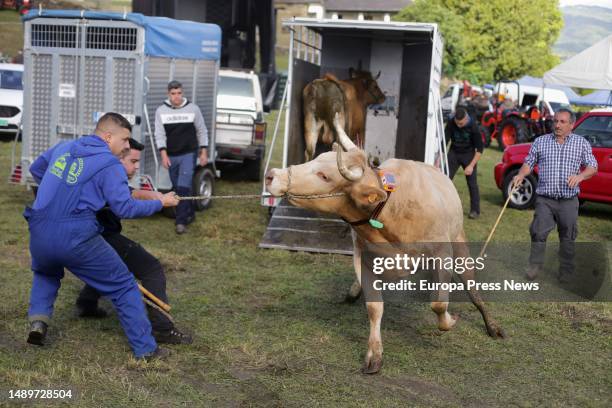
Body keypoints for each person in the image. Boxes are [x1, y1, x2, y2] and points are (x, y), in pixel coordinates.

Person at [26, 113, 179, 360]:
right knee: (124, 285)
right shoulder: (109, 163)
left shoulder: (65, 147)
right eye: (126, 139)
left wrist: (59, 195)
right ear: (108, 137)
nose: (128, 146)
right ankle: (147, 350)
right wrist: (160, 203)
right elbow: (125, 208)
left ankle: (38, 322)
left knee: (46, 272)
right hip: (76, 234)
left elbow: (36, 169)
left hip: (39, 227)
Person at [75, 138, 192, 344]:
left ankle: (87, 302)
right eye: (133, 161)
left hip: (84, 236)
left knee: (111, 263)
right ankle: (162, 329)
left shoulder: (98, 172)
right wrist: (159, 203)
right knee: (151, 268)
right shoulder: (108, 172)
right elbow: (127, 207)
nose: (137, 167)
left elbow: (132, 192)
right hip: (97, 236)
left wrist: (155, 195)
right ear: (117, 158)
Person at [512, 109, 598, 282]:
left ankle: (566, 270)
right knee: (537, 232)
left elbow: (593, 166)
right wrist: (521, 174)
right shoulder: (540, 141)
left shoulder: (581, 144)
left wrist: (580, 176)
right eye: (555, 121)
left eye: (562, 122)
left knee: (567, 236)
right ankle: (535, 266)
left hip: (568, 200)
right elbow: (529, 163)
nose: (557, 125)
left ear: (572, 125)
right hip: (545, 199)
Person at [155, 80, 208, 234]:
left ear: (182, 93)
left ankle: (181, 222)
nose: (176, 97)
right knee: (177, 187)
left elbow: (201, 130)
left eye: (179, 93)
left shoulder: (193, 109)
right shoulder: (161, 111)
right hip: (171, 155)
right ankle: (189, 213)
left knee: (183, 185)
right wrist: (163, 155)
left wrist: (203, 151)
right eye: (173, 94)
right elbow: (159, 134)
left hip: (188, 153)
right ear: (168, 94)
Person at [445, 106, 484, 219]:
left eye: (461, 124)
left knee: (472, 184)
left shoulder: (473, 126)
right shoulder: (452, 122)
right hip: (454, 152)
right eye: (457, 123)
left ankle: (475, 211)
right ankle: (444, 206)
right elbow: (445, 141)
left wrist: (471, 166)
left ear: (466, 119)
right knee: (445, 179)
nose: (458, 126)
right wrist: (439, 159)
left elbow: (480, 150)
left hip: (469, 154)